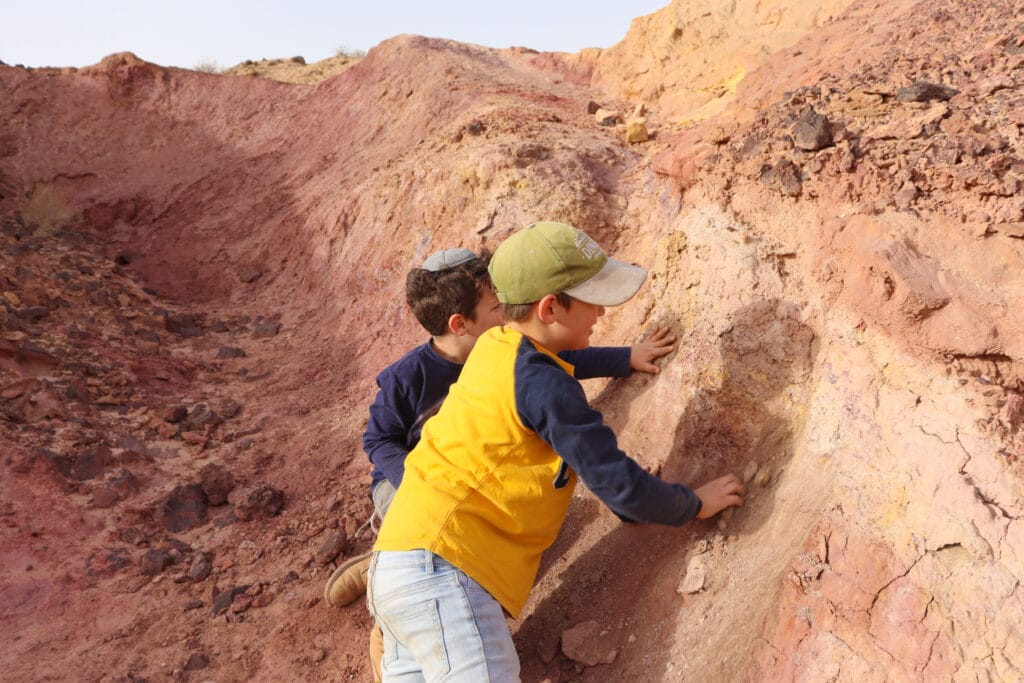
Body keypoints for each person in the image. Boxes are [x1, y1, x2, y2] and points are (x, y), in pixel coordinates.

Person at [367, 222, 746, 681]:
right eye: (594, 300)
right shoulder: (543, 385)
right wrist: (693, 503)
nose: (602, 312)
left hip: (398, 561)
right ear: (550, 307)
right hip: (446, 570)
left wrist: (623, 357)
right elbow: (618, 486)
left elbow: (554, 361)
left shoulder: (494, 347)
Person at [325, 247, 675, 609]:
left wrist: (626, 357)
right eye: (497, 308)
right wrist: (415, 480)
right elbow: (379, 439)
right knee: (440, 538)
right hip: (412, 483)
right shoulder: (406, 378)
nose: (508, 313)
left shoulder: (507, 350)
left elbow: (558, 360)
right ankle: (380, 570)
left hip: (472, 475)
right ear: (460, 324)